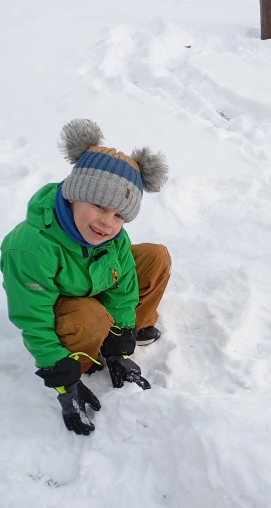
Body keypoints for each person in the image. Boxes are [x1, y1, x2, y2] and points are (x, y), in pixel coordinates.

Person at [0, 119, 170, 436]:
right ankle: (82, 359)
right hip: (66, 309)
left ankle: (125, 334)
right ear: (73, 195)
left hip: (94, 285)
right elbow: (33, 317)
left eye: (119, 215)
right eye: (99, 206)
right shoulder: (30, 248)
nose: (107, 222)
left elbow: (124, 285)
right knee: (88, 316)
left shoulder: (113, 237)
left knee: (155, 256)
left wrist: (121, 337)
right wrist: (60, 374)